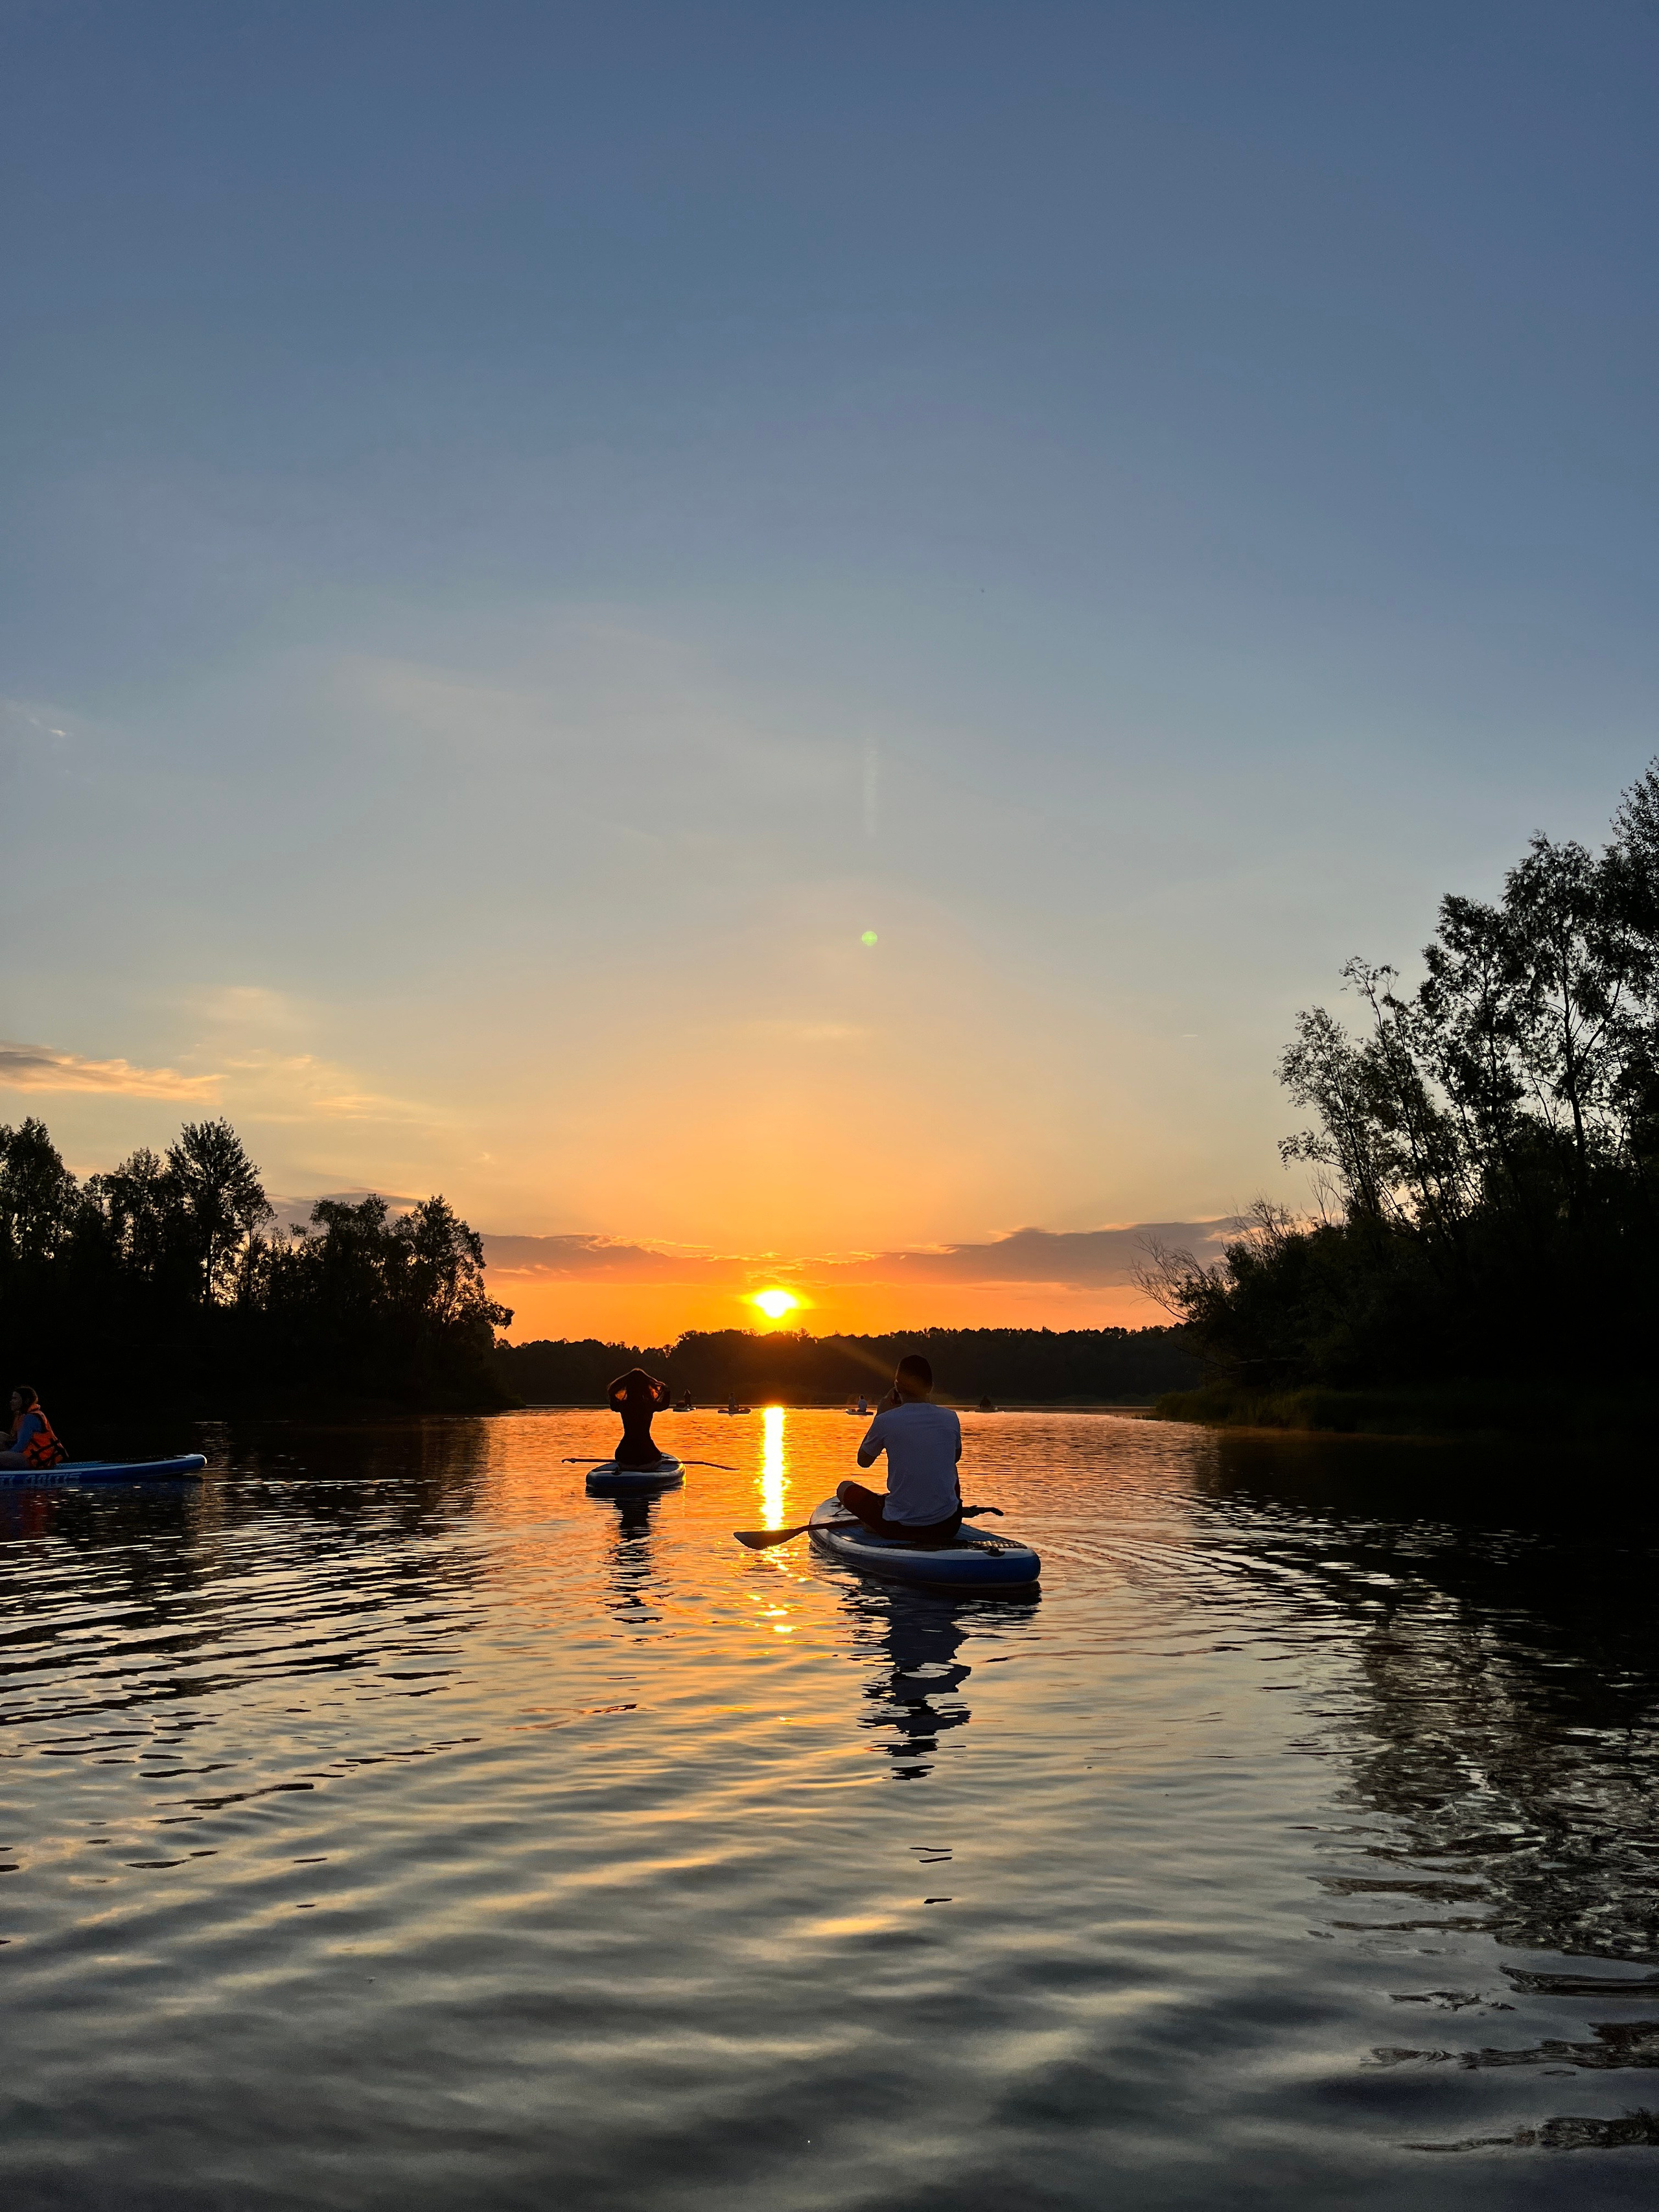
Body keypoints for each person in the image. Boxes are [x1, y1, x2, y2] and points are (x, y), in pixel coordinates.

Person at [837, 1355, 962, 1547]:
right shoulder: (951, 1417)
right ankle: (935, 1508)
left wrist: (880, 1414)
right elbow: (955, 1458)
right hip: (948, 1526)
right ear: (931, 1387)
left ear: (897, 1387)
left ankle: (877, 1521)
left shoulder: (886, 1420)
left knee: (844, 1488)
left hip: (901, 1527)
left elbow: (863, 1461)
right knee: (950, 1466)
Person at [606, 1368, 672, 1467]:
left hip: (624, 1454)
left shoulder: (623, 1405)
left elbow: (613, 1402)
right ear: (645, 1387)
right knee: (657, 1457)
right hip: (647, 1454)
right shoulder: (649, 1405)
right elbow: (664, 1405)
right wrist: (667, 1392)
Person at [0, 1386, 67, 1471]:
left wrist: (5, 1456)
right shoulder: (22, 1415)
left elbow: (21, 1446)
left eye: (15, 1399)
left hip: (35, 1459)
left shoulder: (30, 1418)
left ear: (26, 1401)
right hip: (28, 1453)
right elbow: (15, 1441)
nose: (11, 1402)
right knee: (1, 1436)